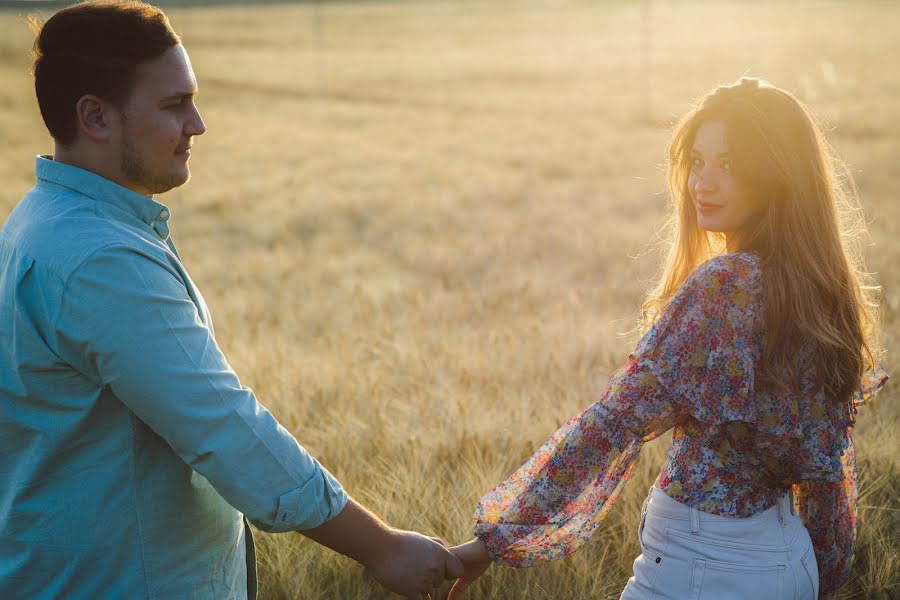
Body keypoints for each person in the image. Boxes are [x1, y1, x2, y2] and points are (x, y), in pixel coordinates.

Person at [0, 2, 462, 599]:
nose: (197, 124)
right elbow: (225, 429)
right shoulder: (100, 260)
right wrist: (382, 546)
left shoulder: (37, 223)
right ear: (95, 117)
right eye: (174, 105)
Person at [448, 77, 889, 599]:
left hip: (705, 566)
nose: (703, 182)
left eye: (729, 166)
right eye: (697, 162)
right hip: (787, 563)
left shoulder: (725, 285)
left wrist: (493, 540)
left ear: (778, 176)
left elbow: (612, 424)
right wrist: (823, 574)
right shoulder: (821, 291)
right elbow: (828, 469)